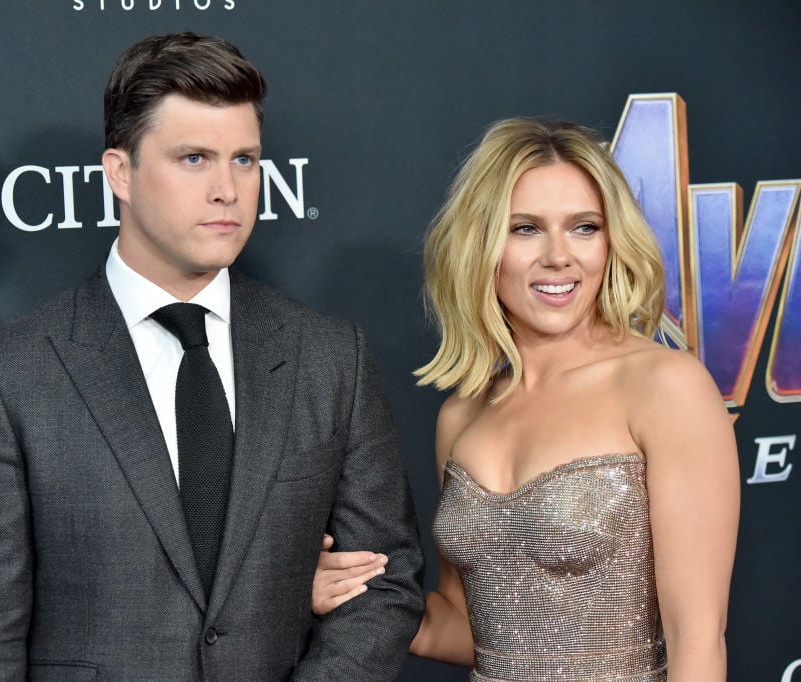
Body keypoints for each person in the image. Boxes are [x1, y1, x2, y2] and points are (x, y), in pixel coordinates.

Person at [0, 32, 423, 680]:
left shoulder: (330, 357)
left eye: (244, 160)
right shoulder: (9, 375)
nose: (227, 189)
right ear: (119, 173)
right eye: (194, 159)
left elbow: (385, 581)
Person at [312, 118, 739, 680]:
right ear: (483, 245)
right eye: (526, 229)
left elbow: (697, 642)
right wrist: (349, 593)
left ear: (611, 242)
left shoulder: (666, 386)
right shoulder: (463, 414)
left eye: (584, 227)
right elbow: (470, 630)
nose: (559, 256)